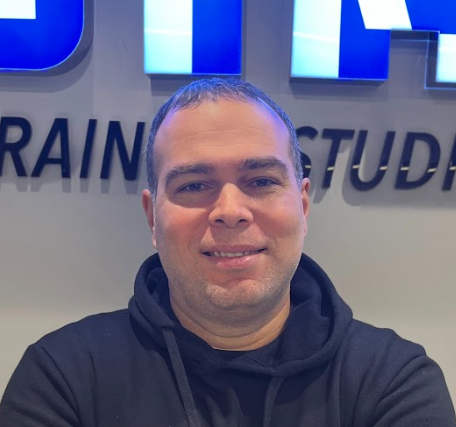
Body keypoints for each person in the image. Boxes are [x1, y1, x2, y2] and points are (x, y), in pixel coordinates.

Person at [0, 78, 454, 427]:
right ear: (152, 218)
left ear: (301, 205)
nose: (230, 212)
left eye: (261, 181)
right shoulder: (63, 376)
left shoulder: (394, 380)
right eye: (194, 185)